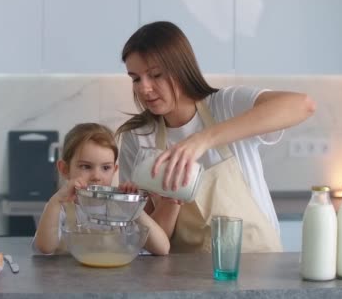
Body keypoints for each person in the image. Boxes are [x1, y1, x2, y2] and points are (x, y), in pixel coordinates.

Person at [116, 21, 316, 253]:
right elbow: (146, 241)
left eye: (156, 75)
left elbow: (303, 105)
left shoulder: (226, 105)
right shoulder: (138, 138)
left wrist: (203, 140)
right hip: (185, 278)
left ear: (180, 68)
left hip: (259, 265)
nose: (144, 88)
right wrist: (169, 202)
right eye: (136, 78)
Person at [33, 123, 170, 255]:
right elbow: (45, 247)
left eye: (106, 168)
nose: (97, 177)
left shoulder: (121, 209)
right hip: (71, 277)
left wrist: (134, 207)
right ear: (65, 169)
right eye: (86, 166)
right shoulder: (60, 208)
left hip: (115, 278)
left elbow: (162, 248)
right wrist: (56, 200)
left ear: (114, 170)